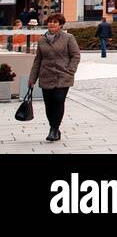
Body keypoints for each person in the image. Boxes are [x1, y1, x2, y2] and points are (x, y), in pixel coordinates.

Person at [27, 12, 80, 142]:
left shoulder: (68, 38)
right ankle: (54, 126)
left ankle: (54, 129)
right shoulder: (42, 40)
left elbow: (76, 56)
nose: (52, 24)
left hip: (63, 76)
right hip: (46, 76)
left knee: (58, 100)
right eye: (50, 21)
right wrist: (32, 79)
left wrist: (70, 71)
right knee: (49, 105)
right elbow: (37, 60)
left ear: (61, 25)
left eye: (55, 22)